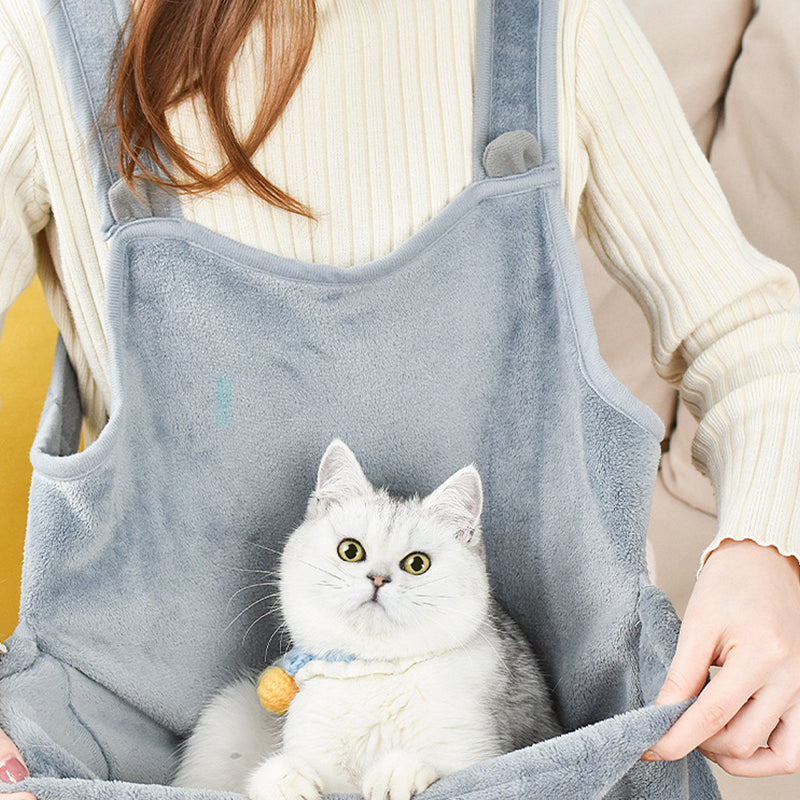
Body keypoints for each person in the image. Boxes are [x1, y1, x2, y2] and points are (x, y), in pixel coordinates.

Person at [1, 0, 799, 797]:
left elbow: (749, 331)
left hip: (539, 756)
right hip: (141, 759)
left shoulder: (553, 25)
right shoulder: (48, 43)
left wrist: (764, 552)